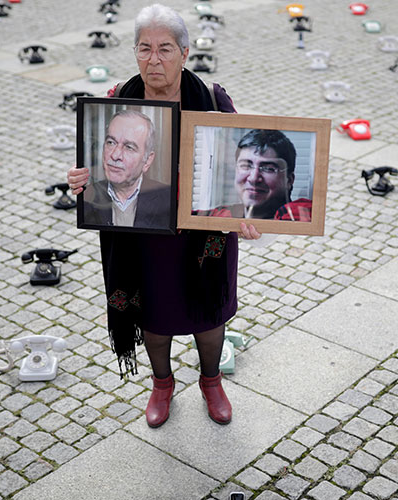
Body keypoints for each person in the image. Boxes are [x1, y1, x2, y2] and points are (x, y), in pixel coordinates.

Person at [67, 3, 260, 429]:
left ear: (185, 52)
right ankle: (162, 383)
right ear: (134, 52)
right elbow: (101, 166)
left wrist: (247, 212)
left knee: (208, 317)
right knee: (153, 317)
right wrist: (83, 180)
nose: (154, 59)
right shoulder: (117, 99)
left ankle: (211, 381)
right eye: (144, 48)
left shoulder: (210, 98)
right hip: (142, 236)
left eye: (165, 49)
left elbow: (240, 160)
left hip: (202, 235)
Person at [84, 110, 171, 228]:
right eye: (111, 142)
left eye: (129, 147)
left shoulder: (167, 200)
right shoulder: (88, 195)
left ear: (148, 160)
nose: (115, 155)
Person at [206, 129, 313, 222]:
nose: (253, 178)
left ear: (289, 180)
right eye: (246, 166)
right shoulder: (221, 216)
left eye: (268, 169)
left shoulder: (298, 214)